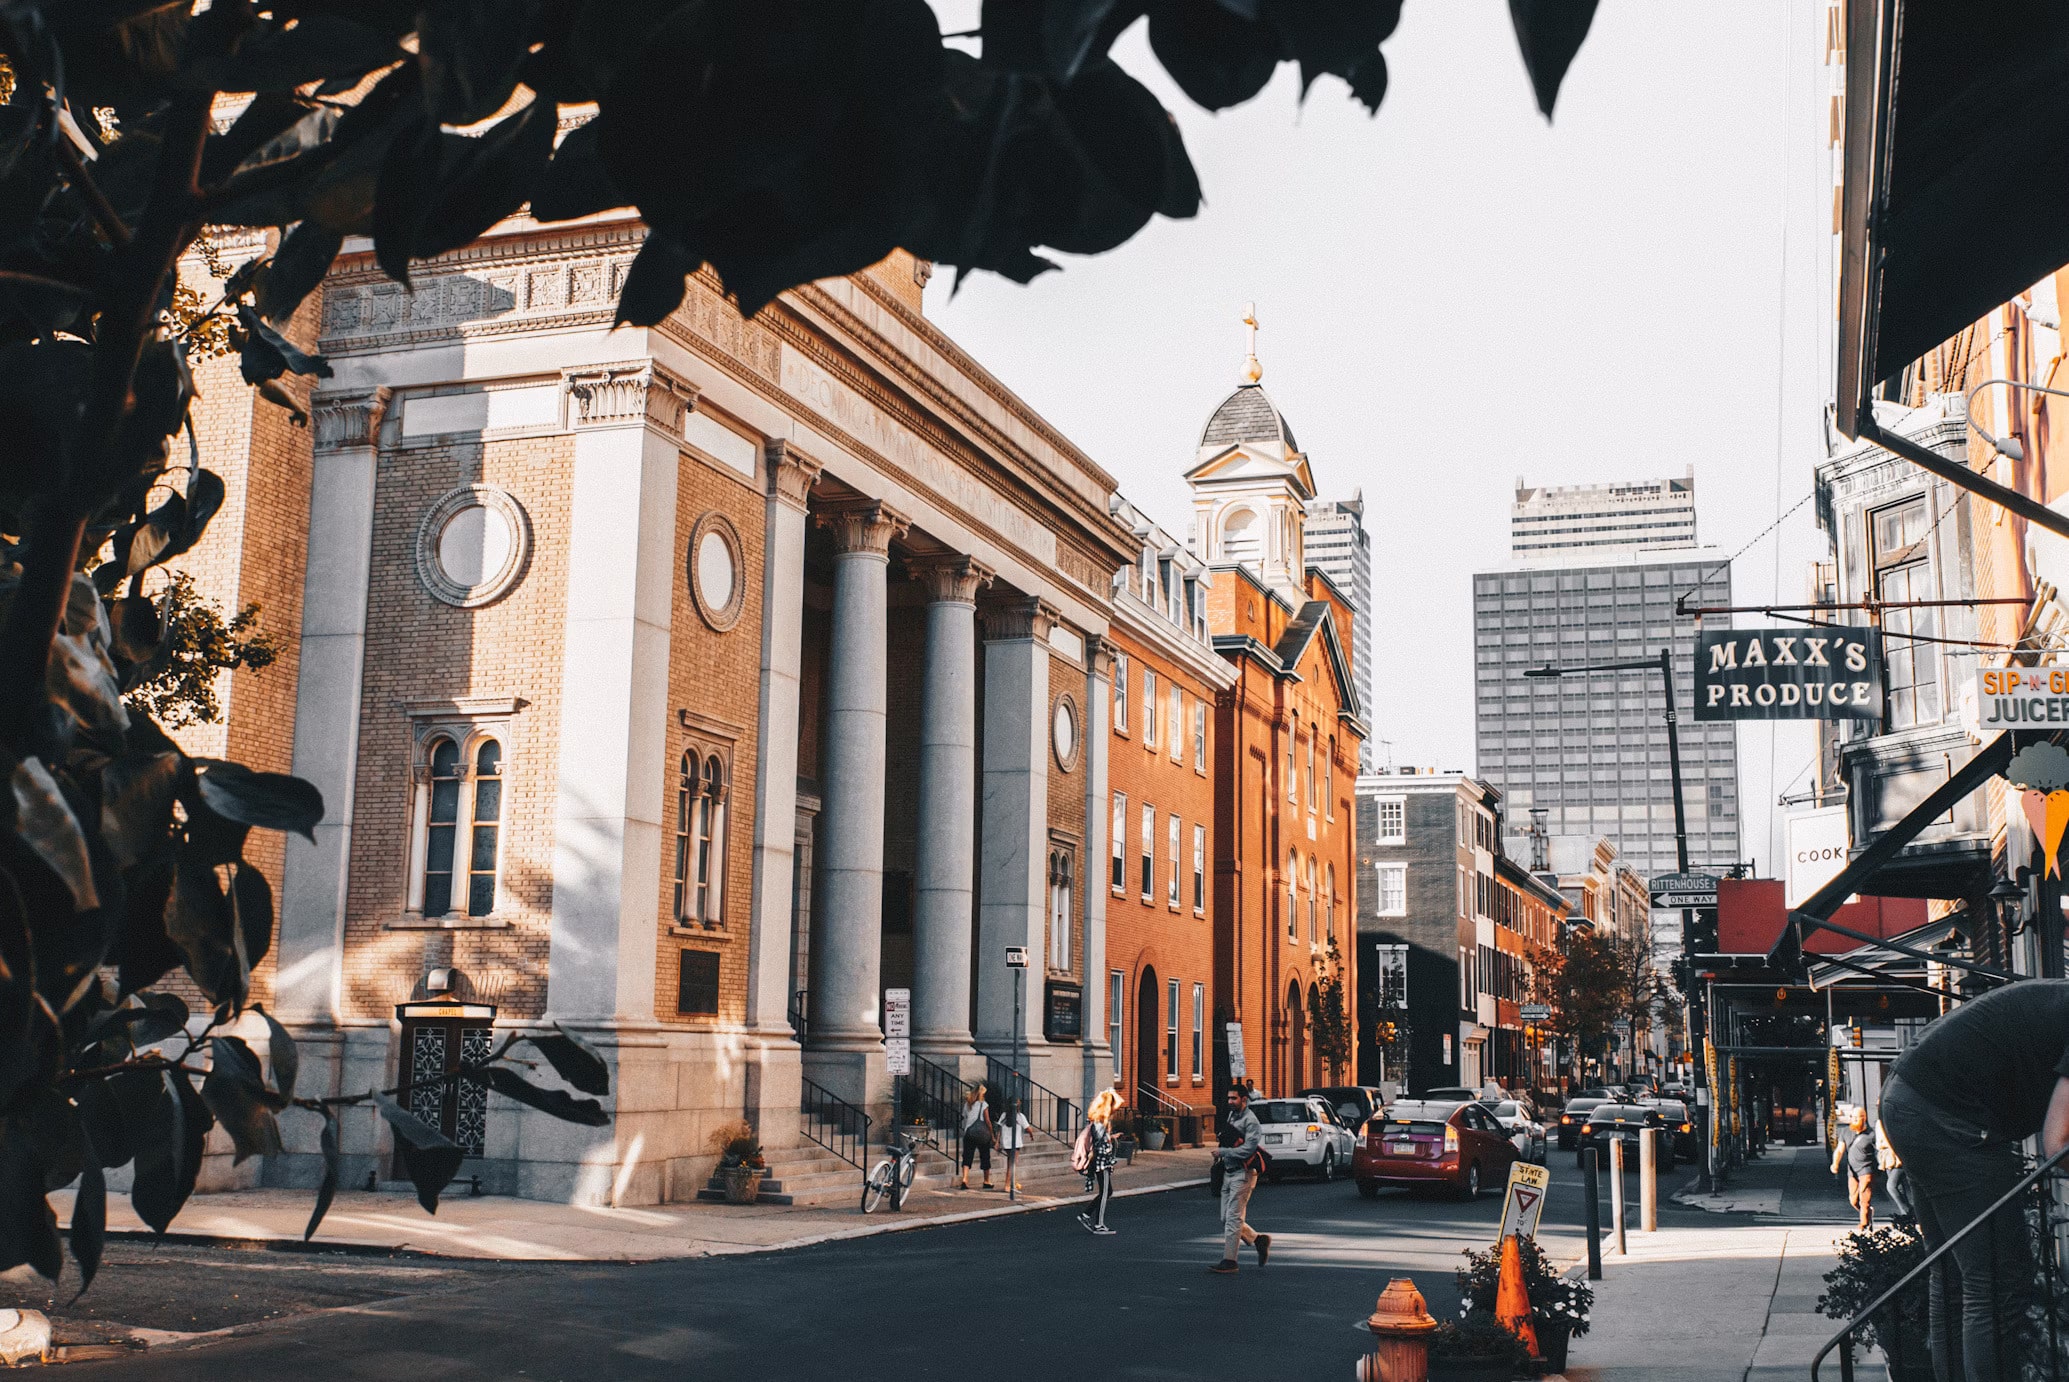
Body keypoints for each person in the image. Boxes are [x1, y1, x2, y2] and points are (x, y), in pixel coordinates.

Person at [1880, 978, 2069, 1382]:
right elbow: (2059, 1143)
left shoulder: (2058, 997)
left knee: (1951, 1275)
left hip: (1908, 1098)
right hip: (1949, 1117)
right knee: (1997, 1283)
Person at [1209, 1083, 1271, 1274]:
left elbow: (1249, 1149)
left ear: (1244, 1099)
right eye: (1228, 1098)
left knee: (1233, 1218)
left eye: (1233, 1098)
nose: (1230, 1101)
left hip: (1243, 1173)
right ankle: (1257, 1239)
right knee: (1225, 1218)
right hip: (1228, 1171)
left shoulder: (1251, 1121)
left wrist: (1223, 1151)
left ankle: (1230, 1261)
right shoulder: (1232, 1115)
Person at [1078, 1089, 1119, 1234]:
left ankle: (1086, 1215)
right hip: (1102, 1161)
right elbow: (1099, 1141)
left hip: (1101, 1160)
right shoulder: (1099, 1121)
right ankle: (1098, 1224)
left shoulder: (1099, 1121)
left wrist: (1112, 1136)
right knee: (1105, 1191)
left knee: (1107, 1191)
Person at [1830, 1107, 1877, 1230]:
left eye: (1856, 1117)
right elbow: (1840, 1150)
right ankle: (1868, 1214)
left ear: (1864, 1118)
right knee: (1853, 1200)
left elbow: (1879, 1150)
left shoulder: (1871, 1135)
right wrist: (1835, 1163)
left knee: (1864, 1199)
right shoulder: (1845, 1132)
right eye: (1852, 1117)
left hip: (1867, 1170)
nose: (1853, 1120)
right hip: (1852, 1171)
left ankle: (1864, 1224)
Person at [958, 1082, 994, 1190]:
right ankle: (986, 1181)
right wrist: (992, 1134)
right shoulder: (984, 1104)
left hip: (969, 1132)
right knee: (985, 1156)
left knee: (967, 1156)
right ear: (982, 1094)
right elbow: (987, 1120)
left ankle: (965, 1179)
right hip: (982, 1134)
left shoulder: (967, 1104)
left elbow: (964, 1118)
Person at [996, 1093, 1031, 1197]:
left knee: (1010, 1162)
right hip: (1015, 1142)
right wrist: (1031, 1134)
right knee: (1012, 1164)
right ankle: (1008, 1184)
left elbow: (999, 1129)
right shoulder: (1019, 1116)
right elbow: (1028, 1128)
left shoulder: (1004, 1115)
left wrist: (997, 1142)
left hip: (1006, 1142)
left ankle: (1012, 1182)